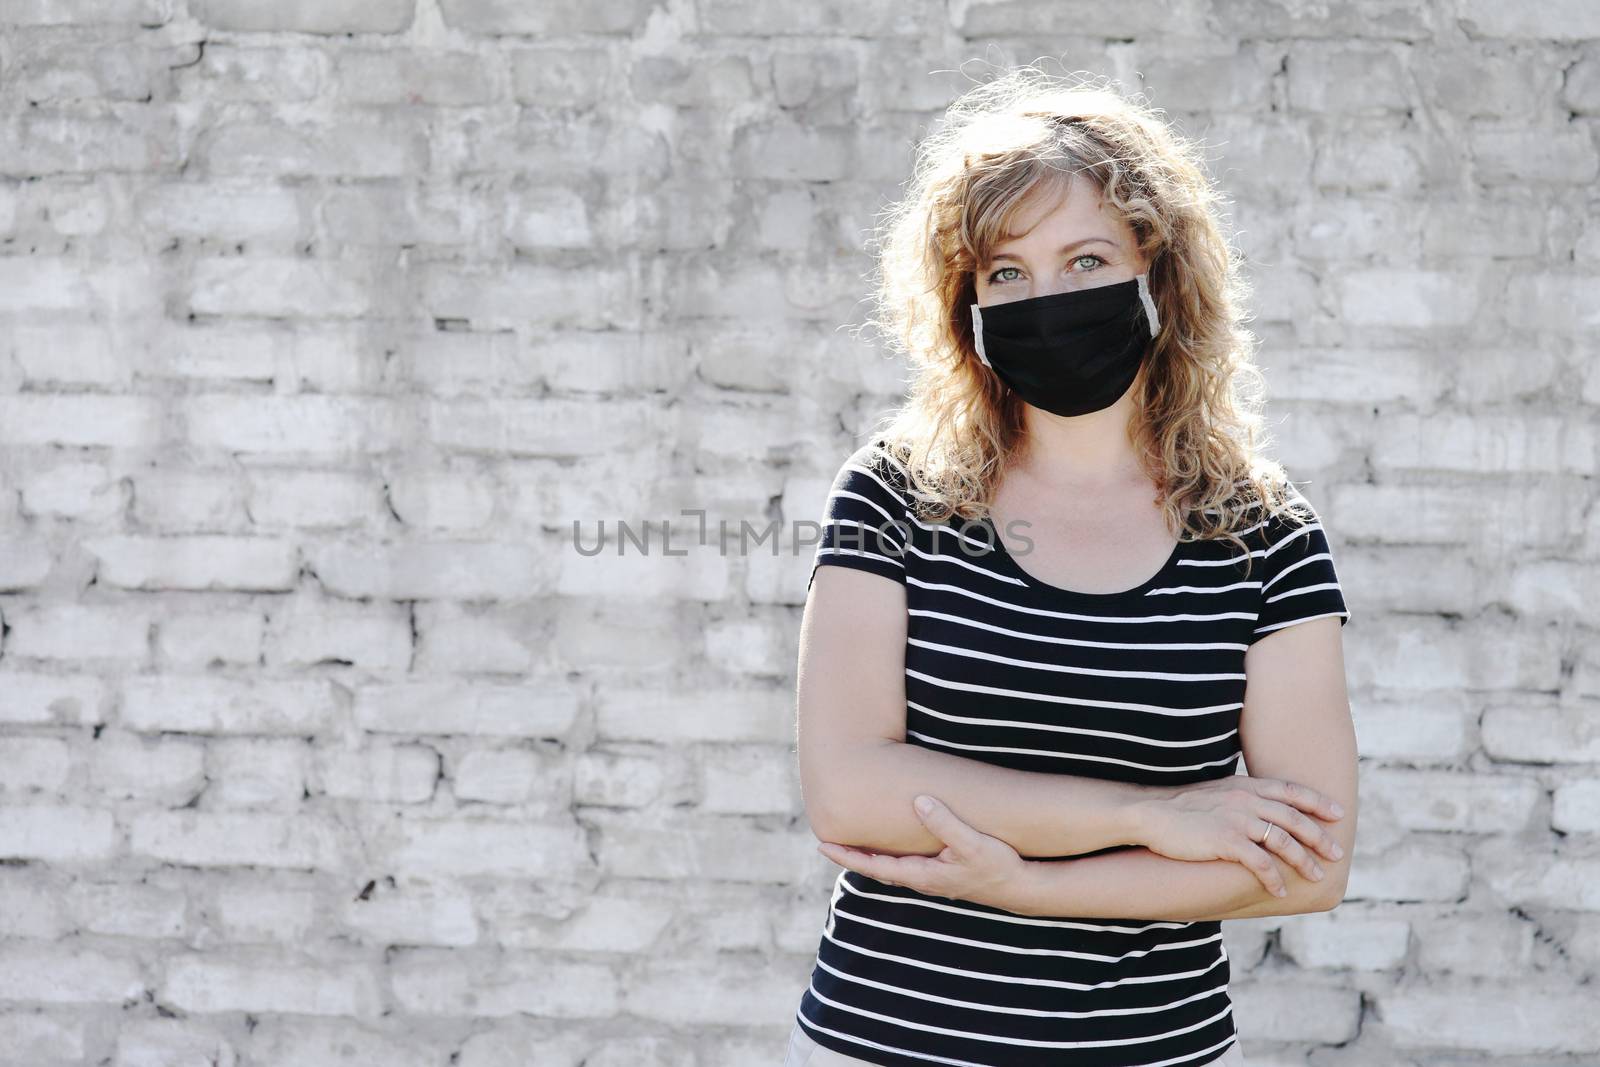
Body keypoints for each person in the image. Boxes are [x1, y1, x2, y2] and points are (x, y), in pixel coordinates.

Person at [785, 68, 1358, 1067]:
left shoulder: (1265, 533)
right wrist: (1155, 817)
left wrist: (1029, 885)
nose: (1045, 300)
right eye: (1005, 274)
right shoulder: (894, 495)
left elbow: (1305, 864)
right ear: (964, 305)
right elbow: (848, 786)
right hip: (885, 1043)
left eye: (1086, 258)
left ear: (1158, 277)